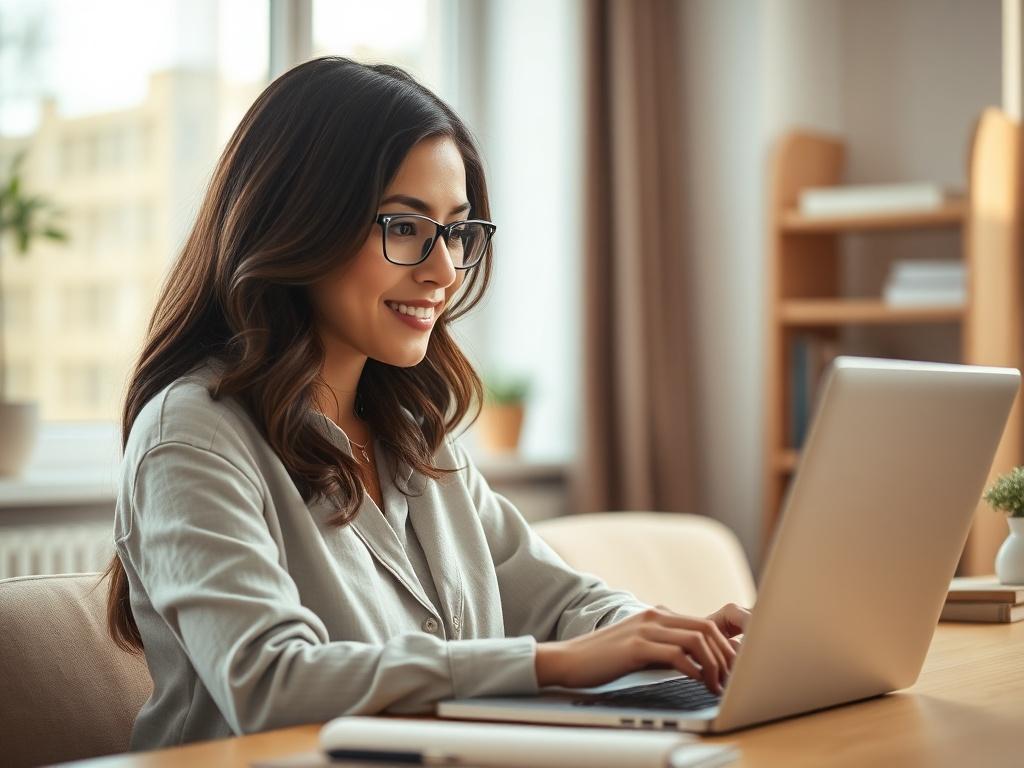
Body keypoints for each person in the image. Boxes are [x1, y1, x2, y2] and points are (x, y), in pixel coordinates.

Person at [103, 56, 750, 750]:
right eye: (405, 227)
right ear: (301, 223)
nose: (442, 271)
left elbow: (562, 601)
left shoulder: (413, 436)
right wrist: (551, 664)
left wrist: (665, 638)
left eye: (456, 230)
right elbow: (270, 682)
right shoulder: (192, 437)